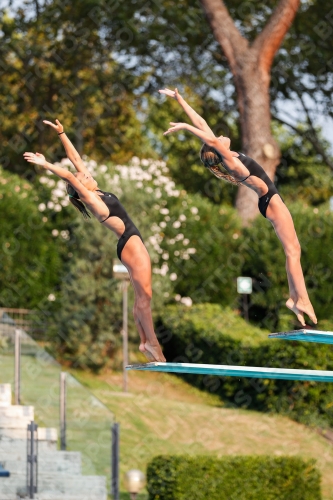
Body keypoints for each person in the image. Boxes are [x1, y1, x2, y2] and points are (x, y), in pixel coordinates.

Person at [159, 87, 317, 327]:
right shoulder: (232, 164)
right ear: (217, 150)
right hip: (272, 202)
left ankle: (296, 298)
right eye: (217, 141)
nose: (220, 136)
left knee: (292, 251)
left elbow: (203, 124)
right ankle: (301, 299)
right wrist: (184, 127)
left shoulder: (228, 157)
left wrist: (181, 100)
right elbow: (208, 138)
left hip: (269, 201)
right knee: (293, 251)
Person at [23, 119, 166, 362]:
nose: (86, 173)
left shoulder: (96, 193)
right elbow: (70, 173)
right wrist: (46, 163)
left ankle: (144, 342)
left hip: (129, 243)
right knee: (145, 295)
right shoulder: (94, 202)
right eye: (83, 177)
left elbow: (75, 161)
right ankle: (152, 343)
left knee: (142, 295)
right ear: (80, 189)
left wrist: (62, 134)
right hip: (130, 242)